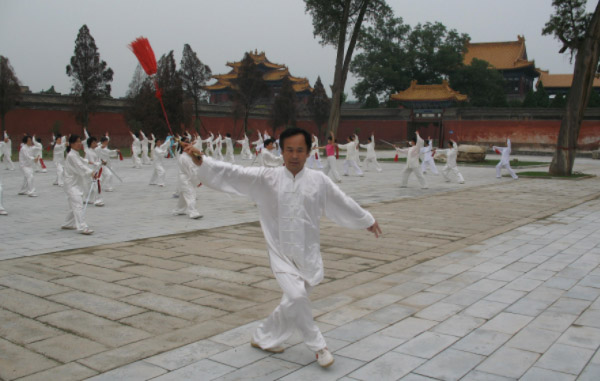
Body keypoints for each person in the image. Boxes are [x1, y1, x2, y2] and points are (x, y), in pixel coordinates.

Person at [183, 127, 381, 368]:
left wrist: (366, 220)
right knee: (297, 296)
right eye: (289, 150)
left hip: (308, 253)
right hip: (280, 252)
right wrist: (203, 160)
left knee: (293, 302)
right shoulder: (268, 177)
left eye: (300, 150)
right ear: (282, 151)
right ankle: (319, 347)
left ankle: (263, 337)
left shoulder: (319, 181)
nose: (294, 155)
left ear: (308, 152)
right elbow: (234, 172)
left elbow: (342, 201)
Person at [62, 135, 94, 235]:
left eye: (80, 141)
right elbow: (80, 166)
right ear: (71, 144)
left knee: (73, 206)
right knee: (78, 204)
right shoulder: (71, 155)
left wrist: (90, 162)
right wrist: (90, 172)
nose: (79, 144)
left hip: (75, 183)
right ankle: (82, 227)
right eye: (77, 142)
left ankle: (68, 223)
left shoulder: (75, 154)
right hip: (71, 185)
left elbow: (81, 160)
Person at [172, 139, 203, 219]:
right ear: (184, 149)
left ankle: (179, 210)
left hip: (185, 178)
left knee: (183, 196)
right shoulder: (184, 158)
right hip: (186, 179)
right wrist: (197, 181)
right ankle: (193, 212)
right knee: (191, 194)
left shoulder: (188, 156)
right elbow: (191, 171)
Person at [84, 136, 104, 207]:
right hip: (91, 171)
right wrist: (96, 163)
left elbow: (98, 159)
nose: (96, 144)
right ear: (90, 143)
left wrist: (101, 161)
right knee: (95, 185)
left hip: (96, 170)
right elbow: (89, 162)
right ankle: (97, 200)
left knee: (92, 186)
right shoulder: (88, 152)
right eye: (94, 142)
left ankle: (88, 199)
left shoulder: (95, 151)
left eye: (96, 142)